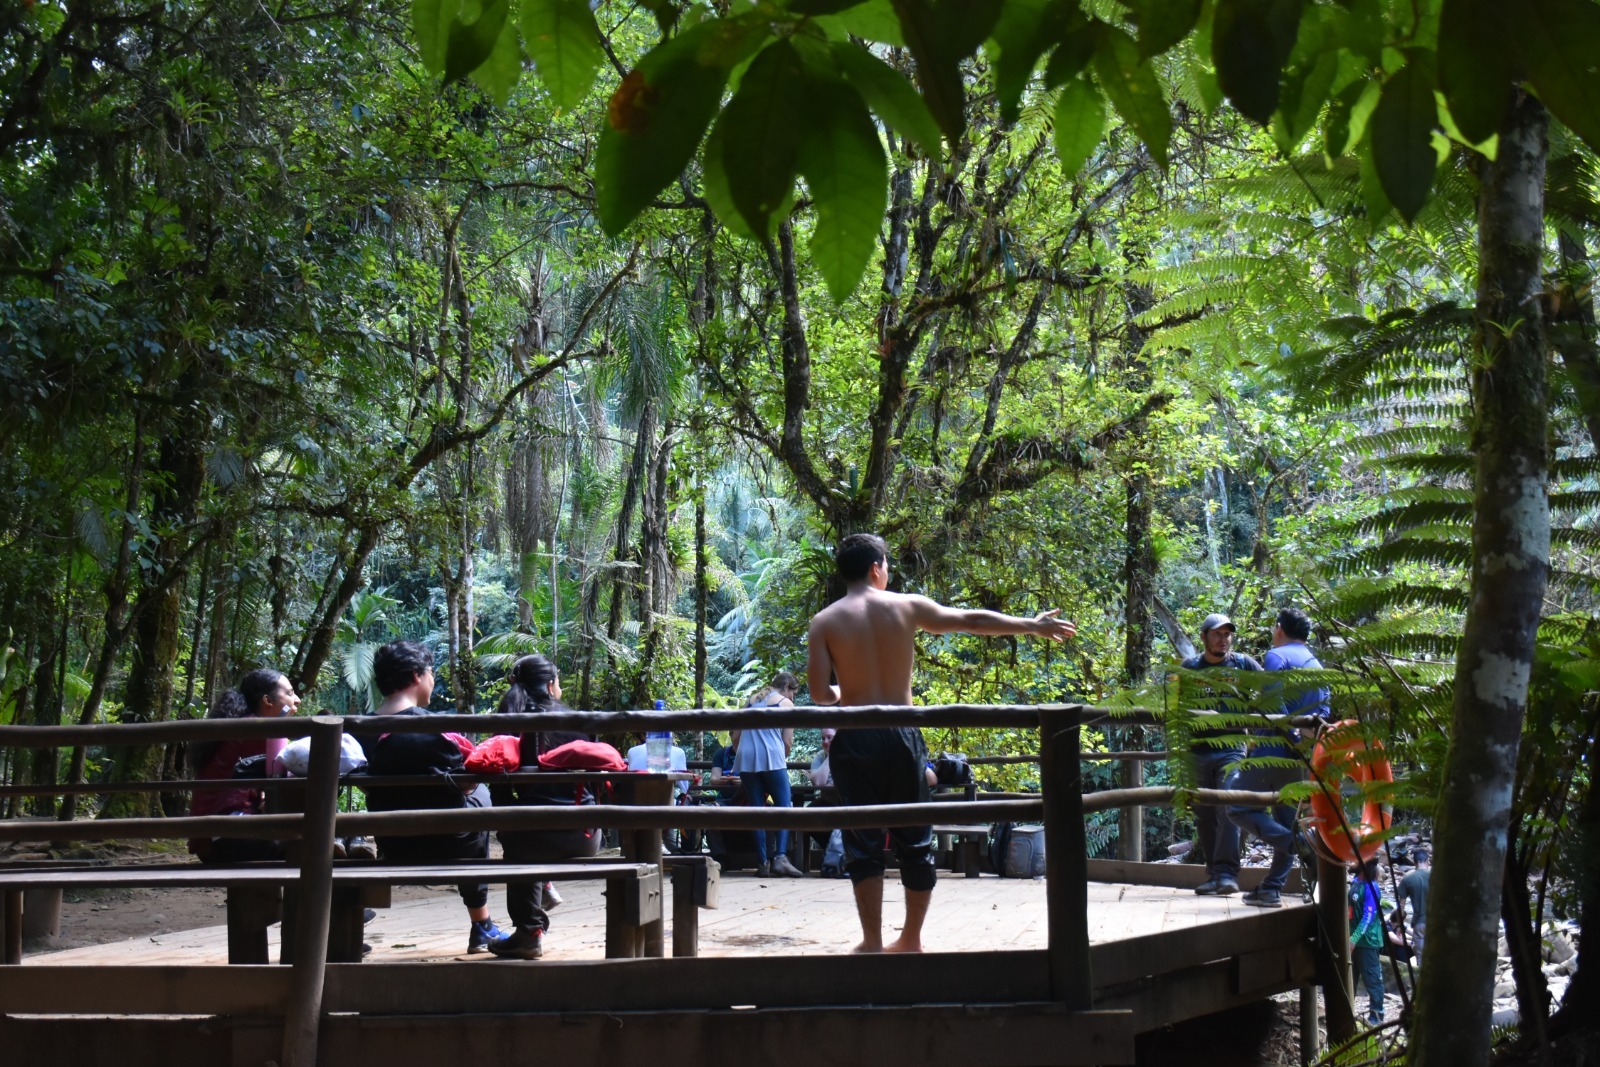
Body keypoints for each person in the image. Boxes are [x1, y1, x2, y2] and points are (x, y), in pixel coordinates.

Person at [806, 533, 1076, 953]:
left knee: (863, 839)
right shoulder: (906, 606)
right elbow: (971, 620)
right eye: (888, 565)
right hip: (902, 733)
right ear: (876, 568)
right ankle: (911, 939)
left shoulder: (824, 622)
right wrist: (1032, 625)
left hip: (855, 737)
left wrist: (846, 692)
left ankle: (872, 942)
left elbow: (821, 695)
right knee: (915, 836)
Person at [357, 640, 506, 955]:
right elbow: (467, 780)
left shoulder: (359, 732)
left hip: (393, 844)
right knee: (480, 794)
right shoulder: (434, 728)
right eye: (431, 673)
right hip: (452, 844)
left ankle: (346, 920)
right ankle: (481, 924)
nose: (433, 679)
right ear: (416, 676)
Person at [486, 653, 600, 960]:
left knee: (523, 837)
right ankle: (535, 914)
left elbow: (497, 787)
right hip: (586, 835)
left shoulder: (510, 724)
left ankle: (529, 932)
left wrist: (509, 823)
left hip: (531, 838)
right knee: (527, 834)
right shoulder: (577, 721)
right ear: (551, 685)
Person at [1229, 607, 1331, 908]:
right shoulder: (1316, 663)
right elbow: (1323, 713)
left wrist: (1290, 736)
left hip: (1272, 750)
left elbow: (1275, 705)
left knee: (1234, 806)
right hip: (1299, 756)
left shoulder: (1277, 656)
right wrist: (1302, 743)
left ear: (1279, 629)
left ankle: (1299, 846)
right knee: (1285, 818)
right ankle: (1271, 888)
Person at [1181, 612, 1262, 896]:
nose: (1222, 639)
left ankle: (1228, 873)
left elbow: (1270, 693)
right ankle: (1214, 873)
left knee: (1228, 808)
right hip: (1197, 751)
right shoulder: (1189, 667)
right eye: (1216, 634)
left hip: (1232, 749)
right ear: (1203, 637)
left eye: (1227, 634)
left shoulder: (1244, 665)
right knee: (1203, 814)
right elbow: (1174, 708)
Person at [187, 668, 299, 864]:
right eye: (289, 693)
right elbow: (292, 768)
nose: (297, 699)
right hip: (225, 838)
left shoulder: (244, 724)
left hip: (215, 839)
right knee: (307, 847)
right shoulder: (255, 729)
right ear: (268, 701)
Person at [733, 671, 803, 878]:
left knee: (756, 810)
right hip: (772, 757)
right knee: (784, 808)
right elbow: (787, 743)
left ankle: (762, 862)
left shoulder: (750, 701)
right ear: (787, 687)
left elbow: (736, 737)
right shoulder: (785, 704)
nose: (793, 698)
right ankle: (780, 858)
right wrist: (781, 757)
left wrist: (746, 753)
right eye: (794, 693)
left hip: (747, 758)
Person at [1350, 857, 1388, 1025]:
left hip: (1367, 941)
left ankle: (1376, 1017)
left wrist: (1353, 940)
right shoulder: (1355, 881)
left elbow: (1368, 917)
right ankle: (1347, 1012)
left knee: (1372, 980)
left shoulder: (1372, 887)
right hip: (1352, 939)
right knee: (1350, 977)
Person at [1395, 847, 1431, 959]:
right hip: (1437, 923)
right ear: (1428, 860)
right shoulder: (1436, 876)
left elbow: (1401, 905)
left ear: (1414, 862)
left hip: (1419, 922)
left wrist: (1399, 925)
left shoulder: (1407, 878)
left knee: (1420, 959)